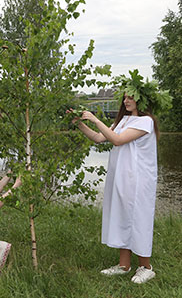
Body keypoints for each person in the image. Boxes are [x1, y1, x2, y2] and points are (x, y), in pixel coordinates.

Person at [71, 85, 163, 284]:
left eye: (131, 97)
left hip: (139, 180)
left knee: (138, 220)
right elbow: (98, 138)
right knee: (122, 217)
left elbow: (118, 140)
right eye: (124, 98)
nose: (126, 101)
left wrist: (95, 119)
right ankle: (124, 265)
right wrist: (79, 123)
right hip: (121, 177)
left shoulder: (146, 121)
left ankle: (146, 267)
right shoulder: (124, 120)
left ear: (142, 99)